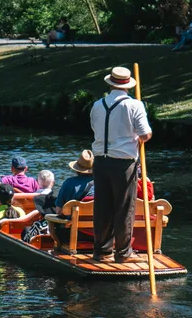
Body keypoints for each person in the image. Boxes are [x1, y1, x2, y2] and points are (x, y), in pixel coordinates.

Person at [89, 66, 152, 262]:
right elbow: (145, 134)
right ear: (128, 86)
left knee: (102, 206)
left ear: (110, 84)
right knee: (124, 207)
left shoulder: (97, 105)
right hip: (123, 163)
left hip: (99, 161)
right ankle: (123, 253)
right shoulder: (135, 105)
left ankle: (102, 251)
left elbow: (94, 128)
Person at [35, 150, 96, 217]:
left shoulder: (69, 182)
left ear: (77, 169)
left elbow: (58, 210)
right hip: (97, 225)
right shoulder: (102, 184)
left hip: (72, 225)